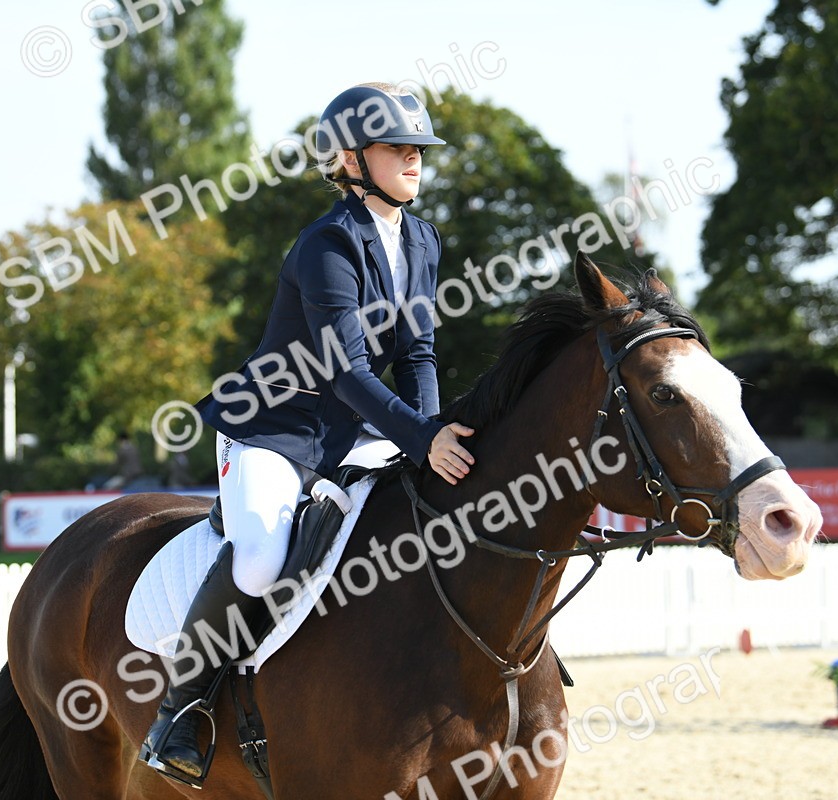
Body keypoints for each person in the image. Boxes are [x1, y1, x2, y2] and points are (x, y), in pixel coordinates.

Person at [139, 82, 476, 785]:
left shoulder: (420, 238)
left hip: (355, 428)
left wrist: (432, 432)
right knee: (261, 560)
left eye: (419, 149)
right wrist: (416, 438)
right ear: (351, 159)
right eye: (398, 148)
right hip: (275, 428)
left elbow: (416, 355)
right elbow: (347, 370)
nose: (415, 160)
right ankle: (183, 709)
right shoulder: (327, 244)